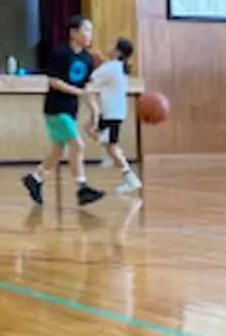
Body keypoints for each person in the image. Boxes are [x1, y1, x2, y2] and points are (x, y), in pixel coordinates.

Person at [21, 15, 105, 208]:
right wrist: (77, 91)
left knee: (57, 151)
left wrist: (95, 112)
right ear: (73, 33)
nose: (89, 35)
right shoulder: (61, 54)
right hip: (56, 109)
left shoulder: (87, 58)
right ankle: (82, 187)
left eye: (91, 31)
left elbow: (87, 88)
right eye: (86, 30)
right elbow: (53, 81)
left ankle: (35, 178)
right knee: (78, 146)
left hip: (71, 110)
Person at [88, 37, 143, 194]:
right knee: (90, 130)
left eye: (112, 44)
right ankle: (111, 154)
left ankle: (130, 178)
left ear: (118, 51)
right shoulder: (116, 67)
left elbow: (91, 79)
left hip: (112, 114)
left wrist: (93, 60)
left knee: (110, 145)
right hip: (112, 112)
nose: (109, 45)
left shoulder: (111, 66)